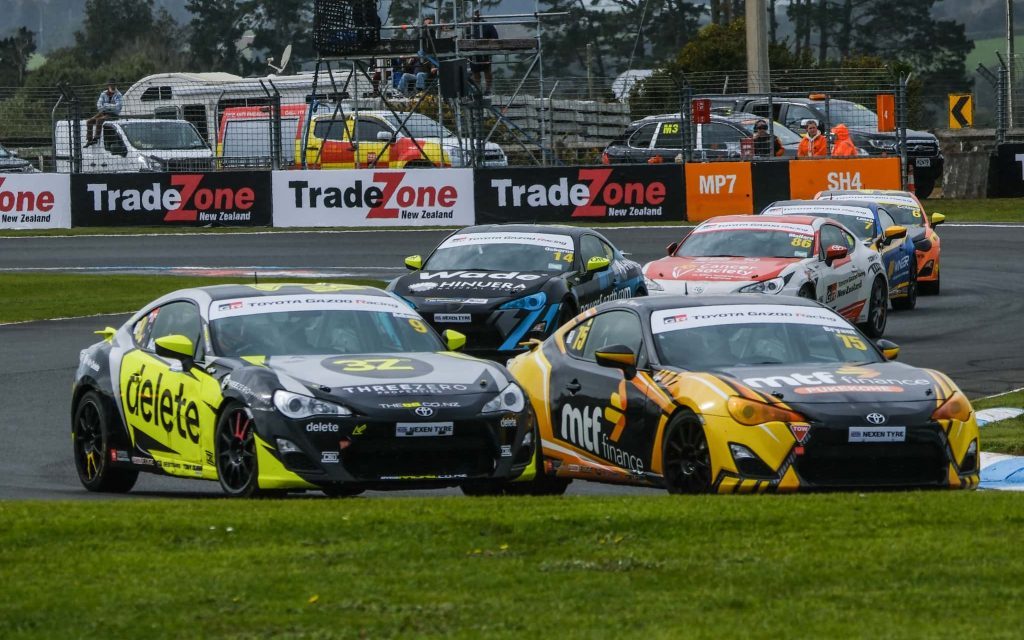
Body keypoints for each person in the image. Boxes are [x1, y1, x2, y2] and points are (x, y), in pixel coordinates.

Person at [465, 10, 498, 94]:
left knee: (487, 70)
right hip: (473, 52)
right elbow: (466, 39)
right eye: (475, 14)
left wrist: (488, 44)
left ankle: (488, 89)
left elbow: (495, 38)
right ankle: (478, 89)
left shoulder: (488, 25)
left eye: (477, 14)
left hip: (485, 51)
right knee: (476, 72)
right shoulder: (469, 27)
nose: (476, 16)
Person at [85, 78, 122, 146]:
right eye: (110, 85)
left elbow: (117, 107)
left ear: (115, 85)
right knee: (89, 121)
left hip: (113, 114)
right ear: (108, 85)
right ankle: (89, 140)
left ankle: (96, 138)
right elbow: (99, 105)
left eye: (113, 85)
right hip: (103, 112)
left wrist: (105, 105)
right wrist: (108, 107)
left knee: (99, 120)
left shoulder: (118, 95)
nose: (112, 86)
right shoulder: (103, 93)